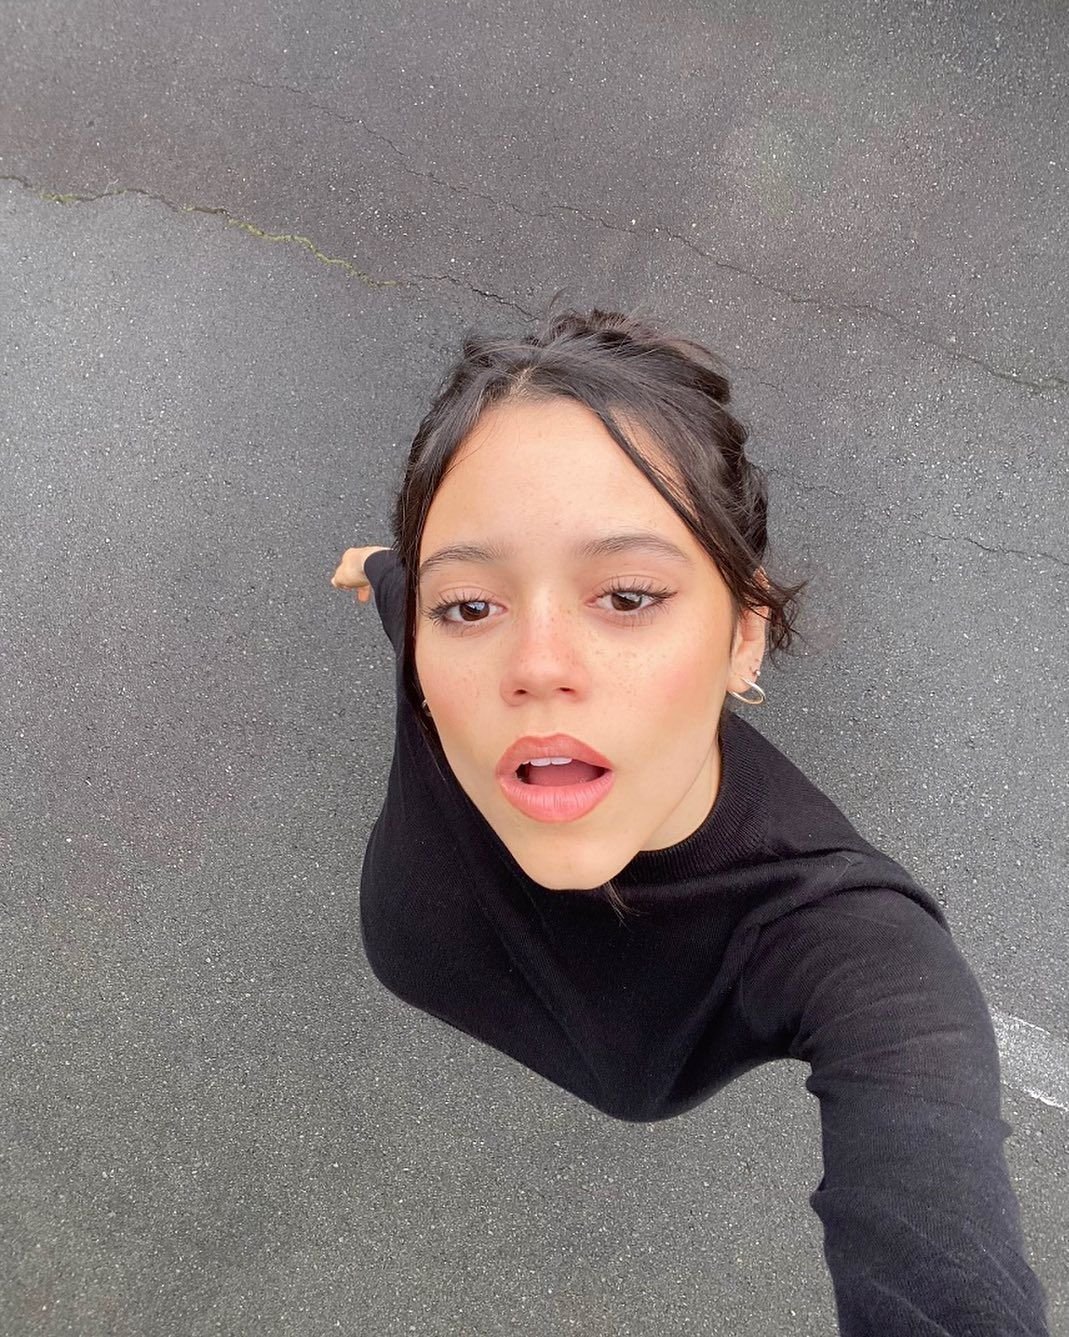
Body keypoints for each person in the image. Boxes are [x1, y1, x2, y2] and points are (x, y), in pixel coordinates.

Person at [330, 303, 1050, 1334]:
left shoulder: (856, 942)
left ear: (744, 634)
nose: (535, 664)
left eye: (626, 595)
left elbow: (936, 1233)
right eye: (473, 605)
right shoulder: (424, 650)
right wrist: (378, 569)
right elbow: (404, 586)